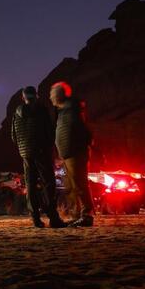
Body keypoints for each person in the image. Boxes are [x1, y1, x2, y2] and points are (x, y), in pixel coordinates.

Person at [11, 86, 67, 228]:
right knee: (48, 183)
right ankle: (53, 217)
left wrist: (23, 149)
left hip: (26, 154)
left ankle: (35, 218)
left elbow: (13, 136)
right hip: (42, 151)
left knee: (30, 184)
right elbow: (49, 131)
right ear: (36, 96)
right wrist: (49, 147)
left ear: (23, 97)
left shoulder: (17, 112)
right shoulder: (41, 110)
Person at [50, 81, 95, 227]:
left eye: (53, 94)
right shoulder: (63, 111)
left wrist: (83, 146)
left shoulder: (72, 108)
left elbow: (82, 129)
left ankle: (86, 215)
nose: (51, 97)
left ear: (59, 95)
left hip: (75, 152)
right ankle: (76, 214)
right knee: (71, 186)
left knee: (80, 184)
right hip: (67, 154)